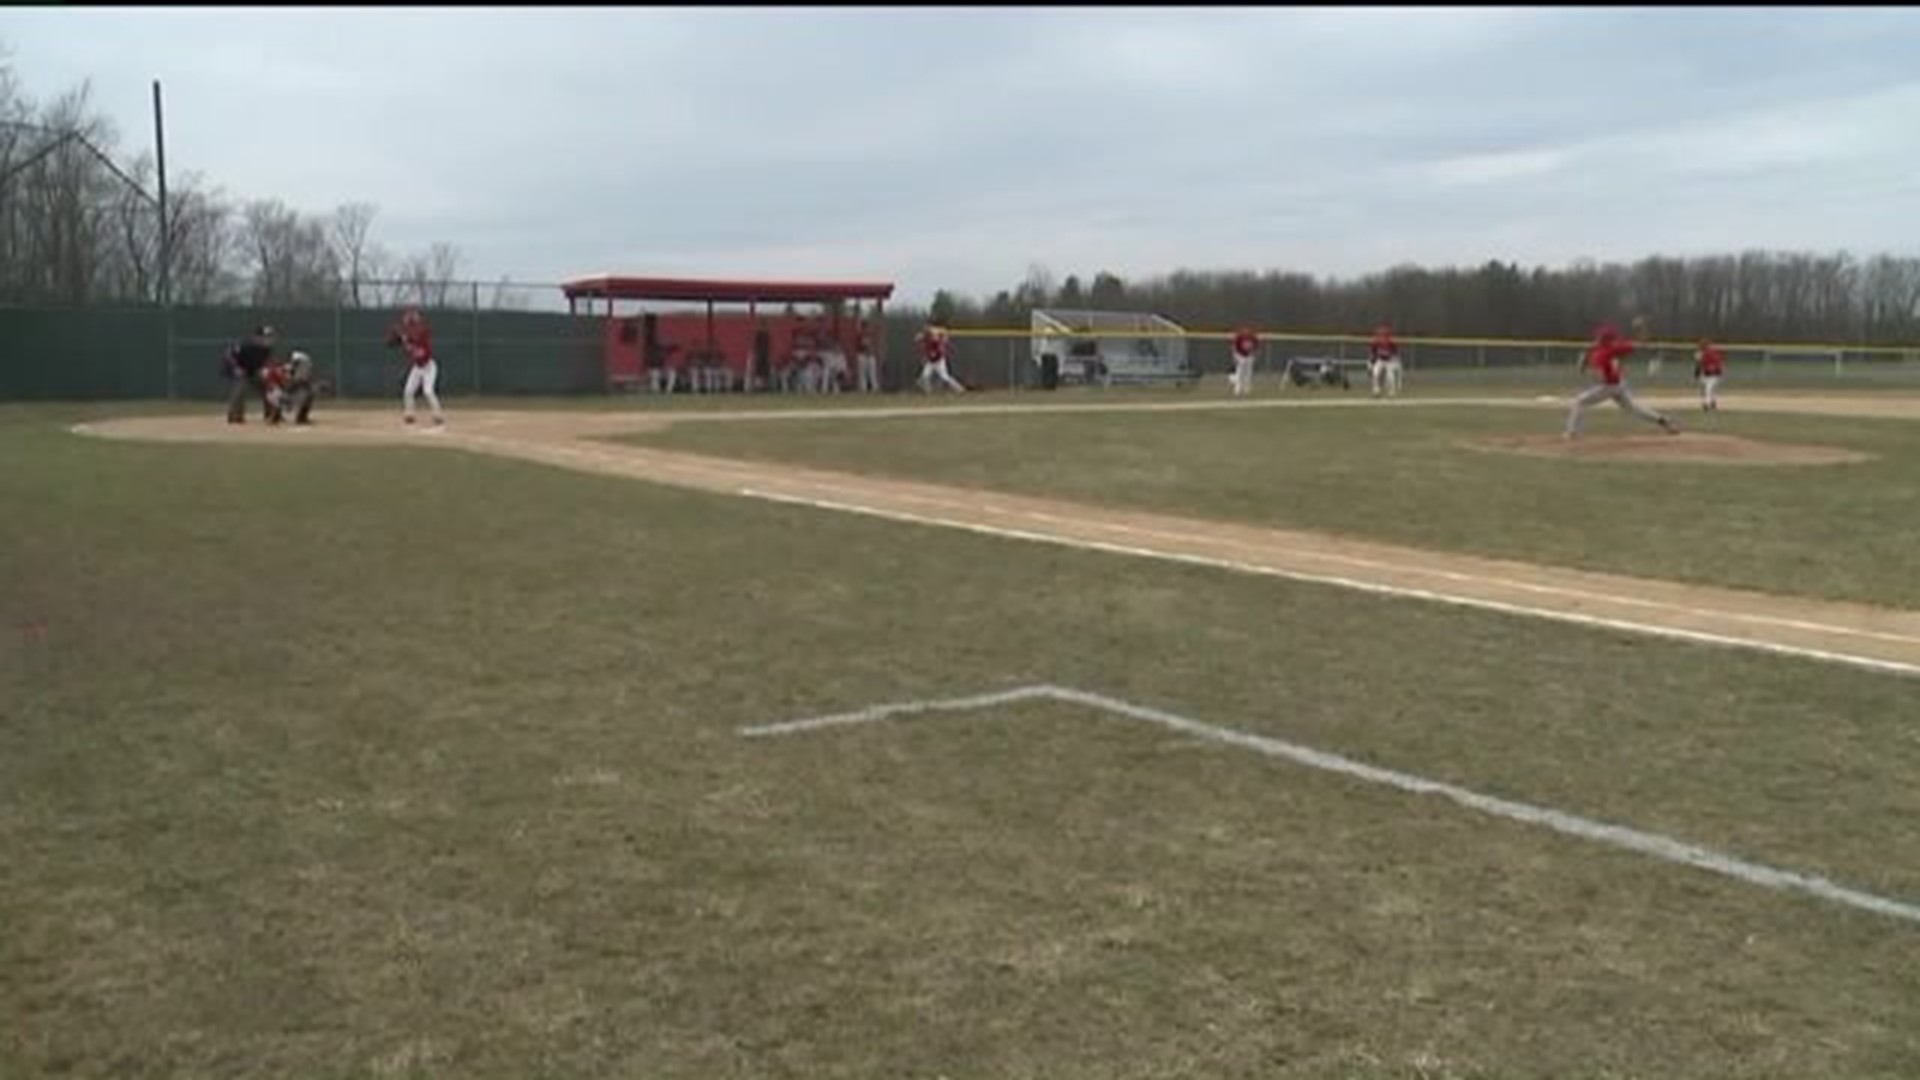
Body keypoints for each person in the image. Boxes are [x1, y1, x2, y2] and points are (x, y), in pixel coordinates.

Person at [1565, 323, 1680, 440]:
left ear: (1603, 339)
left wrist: (1585, 369)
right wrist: (1641, 332)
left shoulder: (1601, 354)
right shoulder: (1616, 347)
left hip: (1608, 386)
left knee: (1580, 401)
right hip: (1619, 384)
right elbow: (1640, 344)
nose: (1596, 339)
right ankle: (1664, 420)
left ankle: (1572, 432)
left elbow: (1601, 378)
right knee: (1635, 408)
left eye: (1599, 337)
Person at [389, 307, 444, 427]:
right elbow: (393, 343)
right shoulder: (410, 333)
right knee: (408, 391)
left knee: (428, 391)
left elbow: (417, 339)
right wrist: (401, 339)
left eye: (411, 317)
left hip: (429, 367)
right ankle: (409, 415)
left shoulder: (423, 331)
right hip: (417, 367)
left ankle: (438, 416)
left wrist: (406, 339)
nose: (409, 319)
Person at [223, 325, 275, 424]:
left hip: (252, 371)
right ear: (257, 337)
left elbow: (265, 363)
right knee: (240, 388)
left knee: (269, 387)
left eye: (269, 336)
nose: (268, 339)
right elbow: (229, 355)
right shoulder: (245, 345)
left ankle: (271, 414)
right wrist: (236, 368)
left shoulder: (266, 349)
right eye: (265, 336)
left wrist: (265, 371)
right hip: (237, 369)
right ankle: (234, 415)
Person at [917, 322, 965, 393]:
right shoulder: (927, 339)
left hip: (939, 361)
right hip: (931, 362)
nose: (933, 337)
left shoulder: (938, 342)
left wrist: (943, 336)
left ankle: (959, 389)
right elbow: (919, 338)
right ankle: (928, 391)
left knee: (945, 377)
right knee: (925, 376)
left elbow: (944, 336)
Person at [1369, 322, 1403, 398]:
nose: (1382, 337)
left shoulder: (1391, 343)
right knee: (1375, 373)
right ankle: (1376, 390)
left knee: (1390, 376)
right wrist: (1371, 362)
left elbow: (1395, 353)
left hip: (1389, 361)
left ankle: (1391, 392)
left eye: (1384, 334)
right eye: (1380, 334)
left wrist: (1395, 362)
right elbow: (1373, 353)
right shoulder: (1376, 343)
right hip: (1380, 360)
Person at [1694, 338, 1726, 412]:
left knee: (1708, 389)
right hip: (1706, 374)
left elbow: (1718, 363)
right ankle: (1712, 403)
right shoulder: (1700, 353)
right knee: (1709, 389)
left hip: (1714, 375)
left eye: (1702, 345)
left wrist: (1717, 370)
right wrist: (1697, 373)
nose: (1701, 346)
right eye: (1701, 344)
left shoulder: (1711, 352)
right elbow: (1699, 364)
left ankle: (1706, 405)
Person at [1229, 326, 1258, 396]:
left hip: (1249, 356)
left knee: (1248, 373)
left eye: (1248, 330)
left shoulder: (1253, 337)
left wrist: (1254, 355)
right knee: (1240, 372)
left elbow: (1256, 347)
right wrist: (1235, 356)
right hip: (1241, 356)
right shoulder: (1239, 337)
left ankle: (1246, 389)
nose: (1246, 331)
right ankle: (1238, 389)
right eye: (1245, 330)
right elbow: (1234, 347)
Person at [855, 327, 881, 393]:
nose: (869, 330)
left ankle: (874, 388)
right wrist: (868, 350)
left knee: (872, 373)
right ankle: (863, 388)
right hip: (863, 355)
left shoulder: (873, 336)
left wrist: (873, 352)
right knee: (862, 373)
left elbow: (875, 347)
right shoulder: (860, 335)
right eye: (867, 328)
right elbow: (863, 346)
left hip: (870, 356)